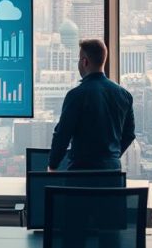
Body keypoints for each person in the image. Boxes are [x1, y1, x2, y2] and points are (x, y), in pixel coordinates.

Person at [48, 39, 135, 171]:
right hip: (112, 174)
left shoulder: (76, 95)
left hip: (81, 173)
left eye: (79, 60)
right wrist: (112, 157)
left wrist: (52, 166)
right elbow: (129, 134)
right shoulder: (125, 95)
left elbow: (62, 135)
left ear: (84, 62)